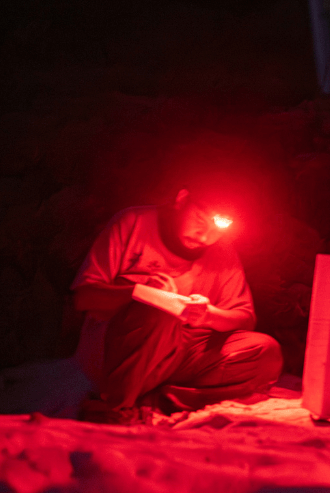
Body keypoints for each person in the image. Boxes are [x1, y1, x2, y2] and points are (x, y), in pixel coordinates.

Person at [72, 179, 281, 424]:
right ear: (182, 200)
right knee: (158, 313)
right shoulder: (134, 224)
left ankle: (163, 400)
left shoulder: (222, 250)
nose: (205, 235)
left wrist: (209, 315)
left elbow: (245, 317)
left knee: (265, 350)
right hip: (120, 353)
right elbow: (84, 297)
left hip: (184, 354)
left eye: (219, 226)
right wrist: (138, 292)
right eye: (201, 219)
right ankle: (115, 407)